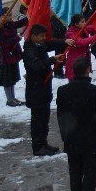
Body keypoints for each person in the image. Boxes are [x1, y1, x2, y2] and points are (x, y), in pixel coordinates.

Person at [56, 56, 96, 191]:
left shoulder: (63, 91)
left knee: (75, 173)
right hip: (91, 140)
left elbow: (61, 116)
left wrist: (65, 136)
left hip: (72, 138)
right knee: (90, 173)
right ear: (87, 71)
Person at [24, 23, 72, 155]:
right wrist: (52, 60)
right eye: (42, 36)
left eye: (45, 35)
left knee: (44, 119)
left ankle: (43, 143)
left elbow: (51, 44)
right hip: (35, 90)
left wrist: (65, 41)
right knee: (38, 120)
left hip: (43, 88)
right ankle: (38, 147)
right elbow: (37, 65)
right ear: (34, 36)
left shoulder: (39, 44)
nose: (44, 38)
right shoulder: (29, 49)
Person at [0, 5, 29, 107]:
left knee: (13, 78)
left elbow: (19, 23)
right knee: (7, 79)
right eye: (8, 15)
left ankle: (13, 98)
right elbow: (2, 43)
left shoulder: (10, 24)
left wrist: (29, 17)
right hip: (6, 56)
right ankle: (9, 99)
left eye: (10, 15)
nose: (10, 17)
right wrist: (16, 39)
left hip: (13, 55)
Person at [64, 14, 96, 80]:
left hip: (83, 62)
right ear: (76, 24)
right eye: (82, 22)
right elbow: (81, 42)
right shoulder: (70, 33)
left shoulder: (82, 28)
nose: (85, 23)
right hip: (75, 63)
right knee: (75, 84)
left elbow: (92, 27)